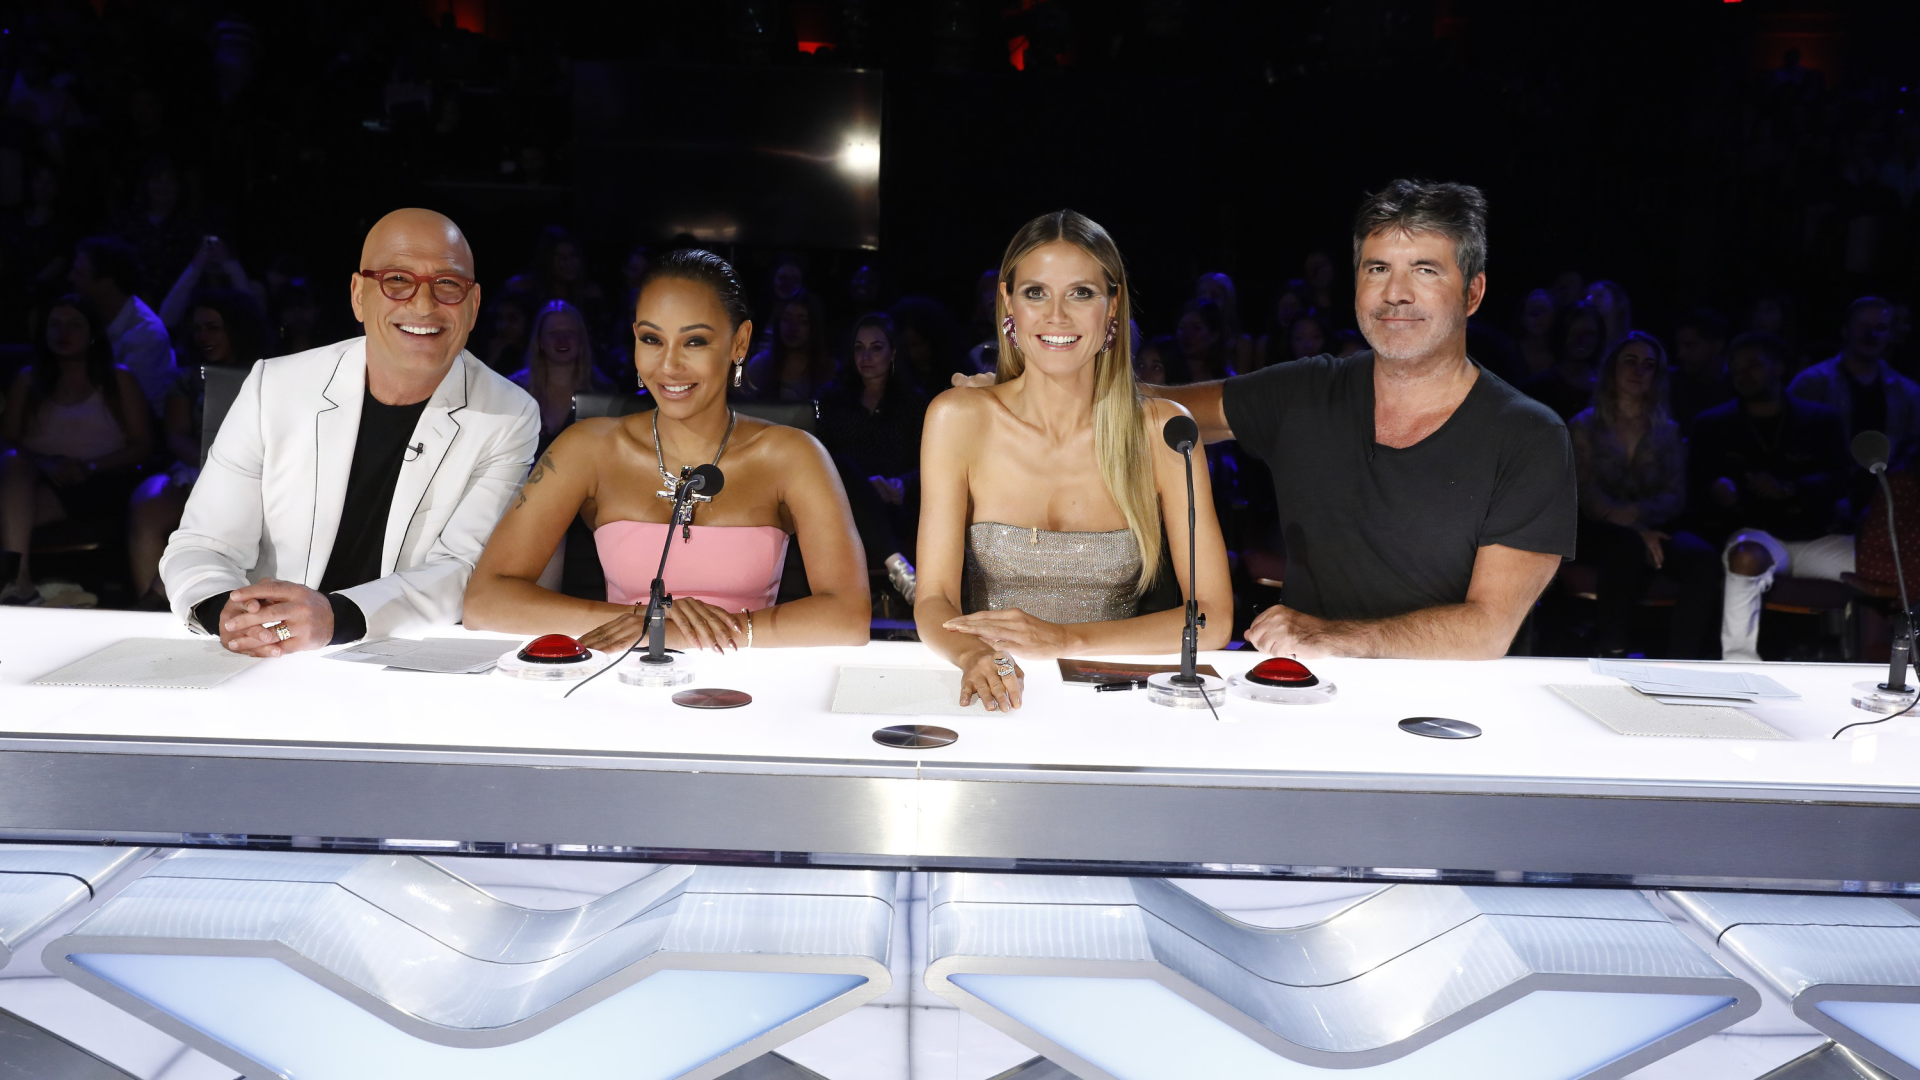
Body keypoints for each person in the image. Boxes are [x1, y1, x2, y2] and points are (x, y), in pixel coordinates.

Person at [1151, 179, 1575, 659]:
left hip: (1453, 716)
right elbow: (1153, 414)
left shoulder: (1530, 435)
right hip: (1304, 694)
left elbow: (1487, 629)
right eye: (1378, 268)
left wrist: (1334, 638)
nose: (1395, 293)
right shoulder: (1306, 391)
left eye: (1425, 270)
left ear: (1472, 294)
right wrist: (1066, 356)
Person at [158, 208, 539, 656]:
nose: (423, 304)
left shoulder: (509, 415)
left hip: (395, 652)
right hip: (265, 651)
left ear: (474, 305)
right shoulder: (274, 386)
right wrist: (229, 613)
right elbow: (203, 544)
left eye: (448, 285)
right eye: (398, 280)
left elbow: (463, 569)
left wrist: (335, 619)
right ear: (359, 295)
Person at [463, 249, 869, 652]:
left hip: (743, 689)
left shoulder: (794, 456)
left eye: (694, 341)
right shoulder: (587, 448)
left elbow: (848, 616)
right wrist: (646, 622)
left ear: (739, 342)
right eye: (652, 339)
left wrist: (686, 634)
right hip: (619, 682)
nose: (669, 365)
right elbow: (485, 602)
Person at [916, 210, 1232, 711]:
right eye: (1035, 292)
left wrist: (1063, 640)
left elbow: (1211, 619)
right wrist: (973, 654)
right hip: (993, 690)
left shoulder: (1161, 431)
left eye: (1081, 293)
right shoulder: (958, 419)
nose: (1056, 316)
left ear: (1112, 308)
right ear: (1008, 304)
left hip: (1116, 700)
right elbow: (932, 598)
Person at [1688, 333, 1850, 661]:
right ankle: (1737, 663)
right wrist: (1721, 493)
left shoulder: (1819, 419)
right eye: (1735, 367)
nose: (1742, 374)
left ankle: (1888, 662)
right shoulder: (1713, 424)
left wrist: (1791, 488)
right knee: (1746, 554)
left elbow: (1839, 480)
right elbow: (1696, 490)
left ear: (1778, 367)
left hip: (1817, 536)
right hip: (1757, 532)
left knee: (1891, 562)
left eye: (1753, 365)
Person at [1568, 332, 1717, 657]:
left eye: (1648, 365)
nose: (1639, 371)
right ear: (1613, 369)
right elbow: (1583, 489)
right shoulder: (1584, 426)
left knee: (1702, 558)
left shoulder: (1668, 431)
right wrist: (1634, 529)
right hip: (1598, 526)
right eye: (1630, 362)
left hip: (1655, 524)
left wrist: (1642, 521)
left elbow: (1675, 494)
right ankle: (1615, 650)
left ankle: (1682, 660)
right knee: (1626, 546)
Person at [1, 296, 155, 604]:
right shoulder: (28, 379)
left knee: (12, 513)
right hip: (37, 475)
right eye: (55, 325)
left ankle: (27, 587)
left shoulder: (118, 378)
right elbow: (8, 439)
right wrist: (44, 463)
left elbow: (143, 445)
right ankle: (22, 582)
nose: (63, 332)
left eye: (74, 325)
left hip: (102, 479)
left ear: (92, 333)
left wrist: (92, 466)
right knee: (13, 463)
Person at [127, 289, 267, 604]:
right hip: (193, 469)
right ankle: (147, 609)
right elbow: (175, 436)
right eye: (198, 329)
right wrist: (213, 466)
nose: (203, 336)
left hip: (260, 477)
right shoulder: (186, 378)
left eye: (212, 327)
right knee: (147, 507)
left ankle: (167, 598)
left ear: (235, 328)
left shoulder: (271, 374)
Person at [816, 313, 929, 574]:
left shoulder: (913, 403)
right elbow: (817, 459)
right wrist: (867, 486)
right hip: (841, 505)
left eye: (876, 348)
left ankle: (895, 567)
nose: (865, 357)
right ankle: (897, 567)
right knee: (841, 465)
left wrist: (901, 485)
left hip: (896, 505)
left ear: (892, 353)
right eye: (859, 349)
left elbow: (929, 463)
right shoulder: (832, 399)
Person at [1787, 297, 1920, 455]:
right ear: (1845, 330)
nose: (1872, 334)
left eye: (1881, 327)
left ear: (1890, 335)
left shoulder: (1907, 392)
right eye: (1863, 326)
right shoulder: (1812, 382)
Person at [68, 235, 177, 413]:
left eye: (79, 273)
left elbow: (129, 405)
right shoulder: (85, 314)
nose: (70, 278)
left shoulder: (147, 334)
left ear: (107, 282)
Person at [510, 299, 613, 451]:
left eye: (570, 333)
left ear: (581, 339)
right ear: (540, 341)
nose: (562, 340)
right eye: (553, 333)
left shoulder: (604, 392)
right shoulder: (515, 390)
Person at [741, 290, 832, 402]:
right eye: (786, 319)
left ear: (815, 327)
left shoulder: (829, 372)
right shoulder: (759, 366)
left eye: (802, 321)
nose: (792, 328)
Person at [1523, 299, 1606, 420]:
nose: (1581, 340)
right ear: (1562, 334)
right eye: (1574, 332)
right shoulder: (1537, 388)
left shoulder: (1607, 388)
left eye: (1589, 334)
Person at [1668, 307, 1732, 431]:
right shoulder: (1671, 382)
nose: (1680, 354)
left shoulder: (1738, 386)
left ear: (1717, 345)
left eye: (1689, 345)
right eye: (1679, 345)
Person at [1172, 297, 1233, 383]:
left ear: (1214, 336)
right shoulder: (1166, 372)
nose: (1187, 334)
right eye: (1182, 327)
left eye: (1197, 328)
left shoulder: (1227, 378)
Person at [1515, 288, 1556, 381]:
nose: (1538, 316)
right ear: (1522, 318)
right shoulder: (1510, 352)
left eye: (1544, 310)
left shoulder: (1561, 356)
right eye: (1532, 311)